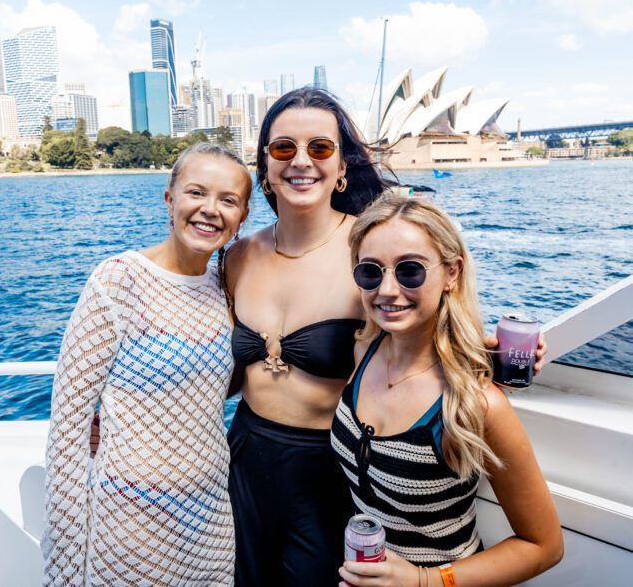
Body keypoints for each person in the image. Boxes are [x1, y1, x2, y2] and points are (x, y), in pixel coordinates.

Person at [224, 87, 548, 586]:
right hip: (244, 454)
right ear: (264, 163)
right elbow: (208, 356)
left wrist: (498, 351)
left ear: (341, 166)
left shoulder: (370, 252)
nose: (301, 161)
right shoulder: (237, 257)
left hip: (331, 468)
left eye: (321, 148)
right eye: (283, 148)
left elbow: (423, 310)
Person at [42, 144, 251, 587]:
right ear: (170, 200)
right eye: (196, 193)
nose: (210, 210)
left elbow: (206, 385)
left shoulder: (225, 288)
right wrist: (62, 570)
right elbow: (67, 434)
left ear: (241, 218)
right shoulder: (118, 281)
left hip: (210, 519)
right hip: (130, 525)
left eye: (228, 200)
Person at [333, 193, 563, 587]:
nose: (387, 289)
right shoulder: (363, 351)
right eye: (370, 271)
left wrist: (424, 581)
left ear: (451, 273)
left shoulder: (478, 403)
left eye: (410, 271)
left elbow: (543, 545)